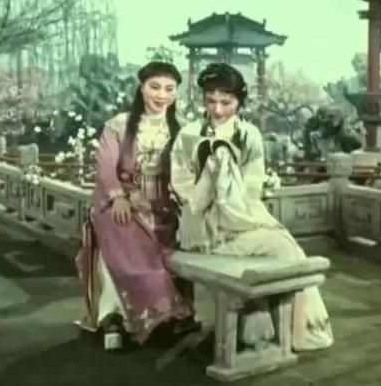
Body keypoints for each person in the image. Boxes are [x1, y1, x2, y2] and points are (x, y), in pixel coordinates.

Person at [170, 62, 333, 352]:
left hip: (240, 219)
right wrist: (210, 175)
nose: (217, 110)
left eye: (226, 102)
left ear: (239, 102)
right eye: (211, 100)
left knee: (286, 247)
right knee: (285, 248)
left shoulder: (250, 135)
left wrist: (230, 188)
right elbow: (185, 192)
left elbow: (251, 191)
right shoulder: (189, 135)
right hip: (203, 227)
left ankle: (283, 327)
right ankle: (299, 332)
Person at [75, 61, 196, 349]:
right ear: (141, 88)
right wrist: (117, 196)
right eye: (154, 87)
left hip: (164, 206)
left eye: (169, 89)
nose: (161, 95)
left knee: (178, 241)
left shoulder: (183, 129)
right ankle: (118, 319)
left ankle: (164, 317)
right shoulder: (118, 125)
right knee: (120, 230)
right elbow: (105, 166)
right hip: (124, 203)